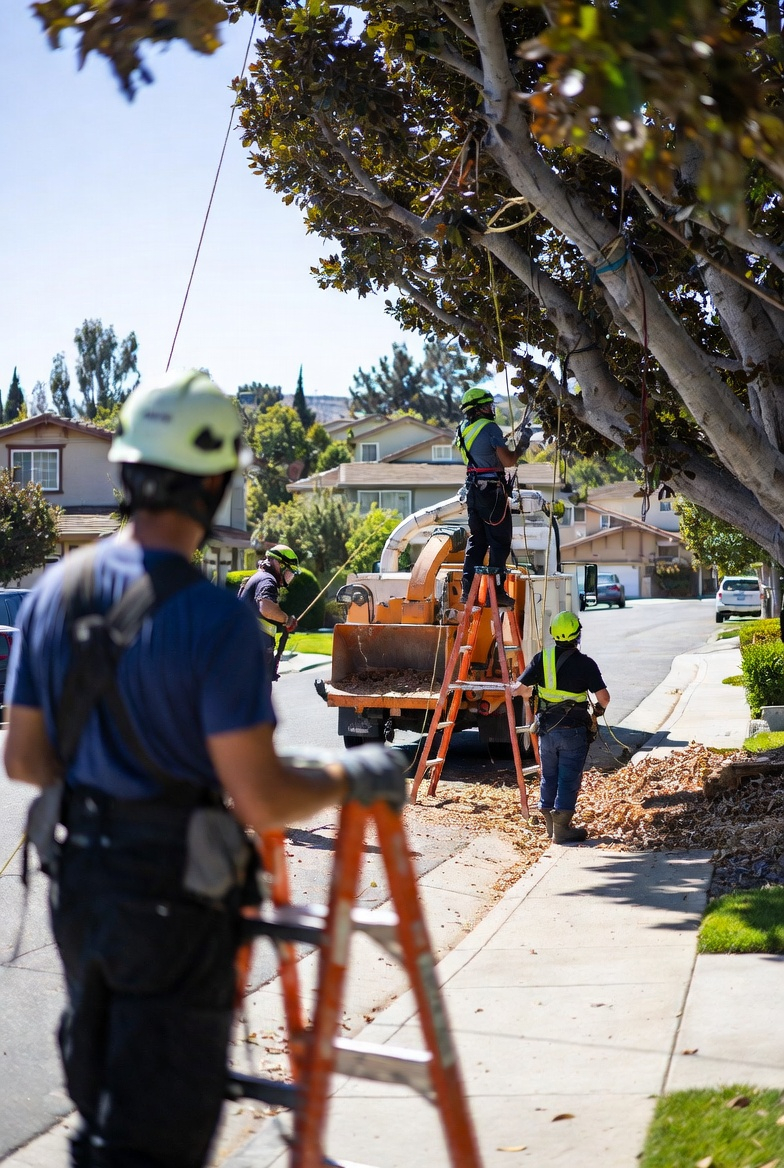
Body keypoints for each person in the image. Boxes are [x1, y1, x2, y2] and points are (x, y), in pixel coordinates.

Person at [2, 370, 406, 1168]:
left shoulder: (53, 591)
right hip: (170, 900)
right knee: (155, 1139)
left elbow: (24, 758)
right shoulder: (217, 619)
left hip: (77, 886)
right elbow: (260, 797)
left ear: (124, 472)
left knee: (104, 1105)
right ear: (218, 484)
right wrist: (352, 776)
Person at [516, 610, 610, 844]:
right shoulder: (586, 664)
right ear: (578, 635)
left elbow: (517, 688)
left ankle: (550, 824)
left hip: (546, 730)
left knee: (549, 774)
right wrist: (598, 711)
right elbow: (604, 698)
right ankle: (562, 829)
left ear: (552, 634)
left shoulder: (541, 658)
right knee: (568, 777)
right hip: (573, 731)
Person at [454, 386, 532, 606]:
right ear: (478, 409)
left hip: (473, 491)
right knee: (499, 541)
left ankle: (467, 590)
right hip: (491, 493)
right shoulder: (489, 428)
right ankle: (495, 591)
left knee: (477, 541)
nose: (491, 409)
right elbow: (508, 461)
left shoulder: (463, 429)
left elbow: (483, 453)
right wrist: (522, 445)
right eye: (488, 405)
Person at [238, 544, 301, 679]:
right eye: (290, 571)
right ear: (279, 564)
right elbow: (266, 608)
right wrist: (286, 619)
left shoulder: (260, 577)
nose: (289, 577)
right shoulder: (267, 580)